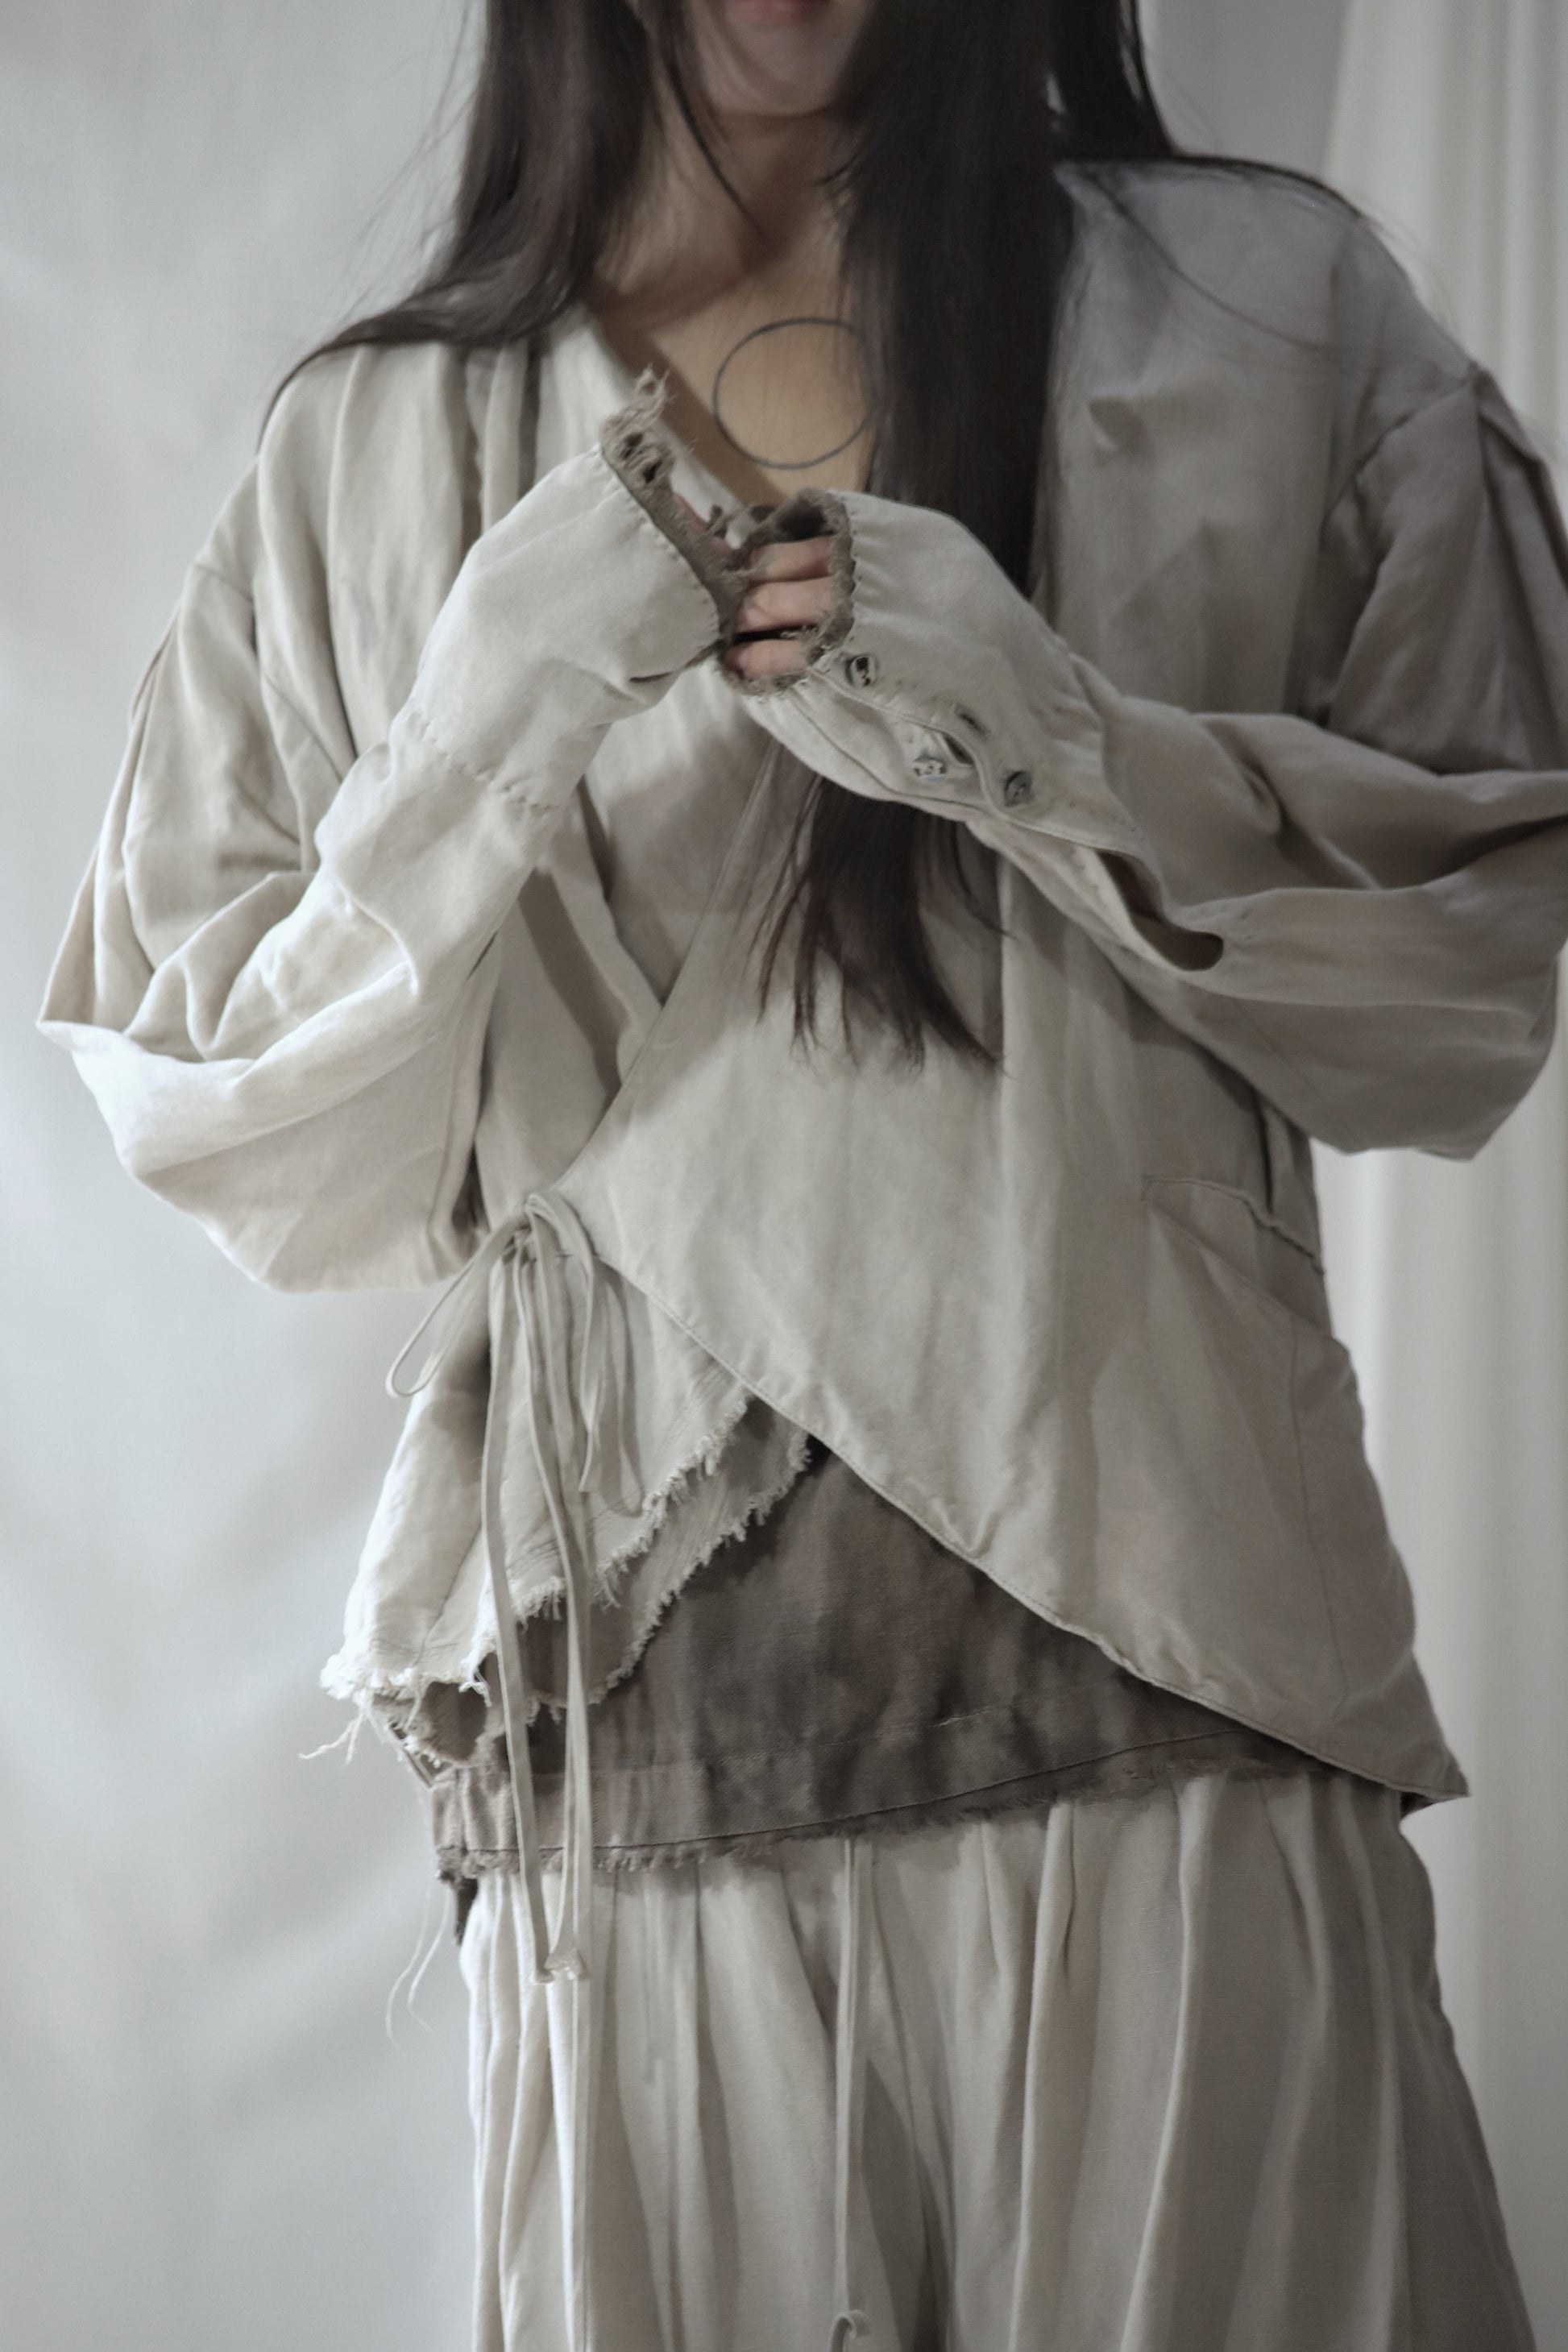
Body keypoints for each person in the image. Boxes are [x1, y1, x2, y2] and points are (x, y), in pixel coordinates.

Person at [40, 1, 1568, 2346]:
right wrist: (485, 712)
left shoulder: (1265, 325)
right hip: (643, 1789)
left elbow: (1467, 962)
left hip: (1176, 1684)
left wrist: (1042, 729)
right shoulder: (373, 446)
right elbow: (256, 1141)